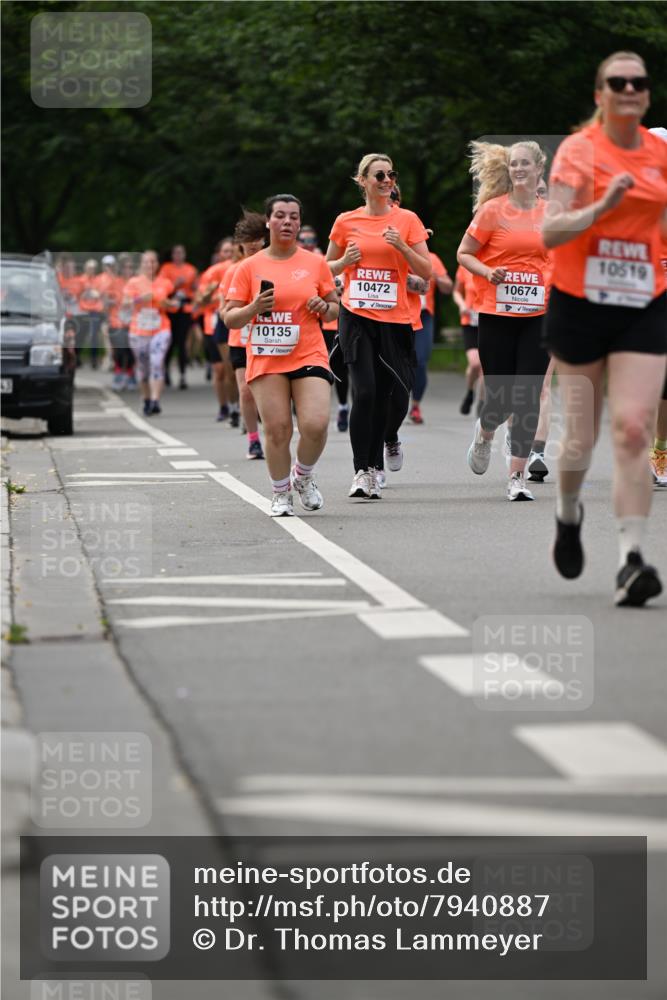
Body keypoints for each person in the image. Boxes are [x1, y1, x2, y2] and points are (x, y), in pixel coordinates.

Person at [543, 52, 667, 606]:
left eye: (637, 82)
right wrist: (602, 206)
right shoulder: (579, 151)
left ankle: (631, 558)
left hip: (644, 301)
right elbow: (550, 231)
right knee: (578, 440)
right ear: (600, 93)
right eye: (617, 82)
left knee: (635, 429)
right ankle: (568, 515)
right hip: (580, 303)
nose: (628, 89)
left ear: (646, 93)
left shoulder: (661, 153)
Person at [224, 194, 339, 516]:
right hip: (267, 357)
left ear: (299, 224)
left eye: (293, 217)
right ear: (268, 222)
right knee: (277, 430)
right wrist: (253, 308)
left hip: (308, 352)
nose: (287, 222)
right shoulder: (248, 267)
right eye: (280, 216)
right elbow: (229, 317)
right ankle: (280, 493)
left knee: (316, 424)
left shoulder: (315, 263)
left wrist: (323, 306)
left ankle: (302, 476)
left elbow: (334, 310)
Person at [326, 154, 431, 499]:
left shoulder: (408, 220)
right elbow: (326, 267)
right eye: (379, 175)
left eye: (391, 174)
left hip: (396, 320)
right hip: (356, 316)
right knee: (366, 392)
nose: (387, 180)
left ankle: (379, 455)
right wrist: (344, 262)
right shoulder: (345, 221)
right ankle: (362, 471)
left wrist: (401, 245)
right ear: (363, 181)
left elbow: (426, 271)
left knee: (391, 399)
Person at [457, 140, 552, 501]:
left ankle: (517, 477)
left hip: (537, 315)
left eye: (525, 163)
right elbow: (464, 253)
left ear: (539, 169)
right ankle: (484, 433)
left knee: (528, 395)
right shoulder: (492, 211)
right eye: (513, 164)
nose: (519, 169)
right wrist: (487, 270)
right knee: (501, 396)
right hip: (496, 313)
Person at [220, 211, 267, 459]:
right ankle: (253, 439)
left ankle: (274, 434)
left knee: (271, 392)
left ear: (264, 239)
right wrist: (232, 314)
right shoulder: (234, 271)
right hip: (241, 338)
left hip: (271, 338)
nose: (252, 243)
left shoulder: (273, 266)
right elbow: (223, 308)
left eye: (257, 237)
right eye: (247, 239)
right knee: (246, 390)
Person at [123, 250, 176, 415]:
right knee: (143, 367)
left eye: (153, 262)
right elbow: (125, 303)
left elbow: (173, 305)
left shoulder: (166, 283)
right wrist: (142, 298)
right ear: (141, 264)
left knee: (157, 361)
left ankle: (155, 401)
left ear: (157, 264)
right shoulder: (133, 282)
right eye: (146, 262)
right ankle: (146, 398)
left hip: (161, 328)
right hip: (139, 329)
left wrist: (166, 303)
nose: (149, 265)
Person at [410, 249, 453, 424]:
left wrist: (435, 275)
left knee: (420, 361)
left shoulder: (432, 258)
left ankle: (415, 405)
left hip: (423, 315)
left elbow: (448, 287)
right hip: (399, 314)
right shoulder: (395, 252)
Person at [194, 246, 235, 420]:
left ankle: (238, 406)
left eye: (231, 251)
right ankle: (223, 406)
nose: (228, 254)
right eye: (224, 251)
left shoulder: (242, 266)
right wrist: (214, 294)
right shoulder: (212, 272)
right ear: (219, 254)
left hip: (236, 323)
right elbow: (199, 300)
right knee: (220, 369)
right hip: (212, 323)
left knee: (235, 369)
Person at [158, 244, 198, 389]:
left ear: (184, 254)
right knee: (170, 342)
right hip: (170, 308)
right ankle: (166, 370)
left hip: (184, 308)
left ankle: (182, 375)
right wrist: (175, 284)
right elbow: (161, 288)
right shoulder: (166, 268)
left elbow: (196, 289)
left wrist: (193, 297)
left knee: (182, 343)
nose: (178, 255)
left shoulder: (191, 269)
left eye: (181, 252)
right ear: (172, 255)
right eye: (176, 253)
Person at [453, 264, 482, 415]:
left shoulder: (494, 263)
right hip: (470, 321)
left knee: (486, 367)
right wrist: (462, 305)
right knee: (475, 363)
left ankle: (483, 403)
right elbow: (456, 292)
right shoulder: (465, 266)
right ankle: (470, 392)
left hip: (489, 320)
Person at [77, 258, 106, 368]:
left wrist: (96, 294)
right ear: (85, 268)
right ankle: (77, 358)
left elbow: (100, 294)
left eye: (93, 268)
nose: (91, 270)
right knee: (81, 335)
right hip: (83, 311)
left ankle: (94, 360)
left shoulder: (98, 280)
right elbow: (78, 294)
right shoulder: (81, 280)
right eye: (89, 268)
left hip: (95, 311)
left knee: (94, 336)